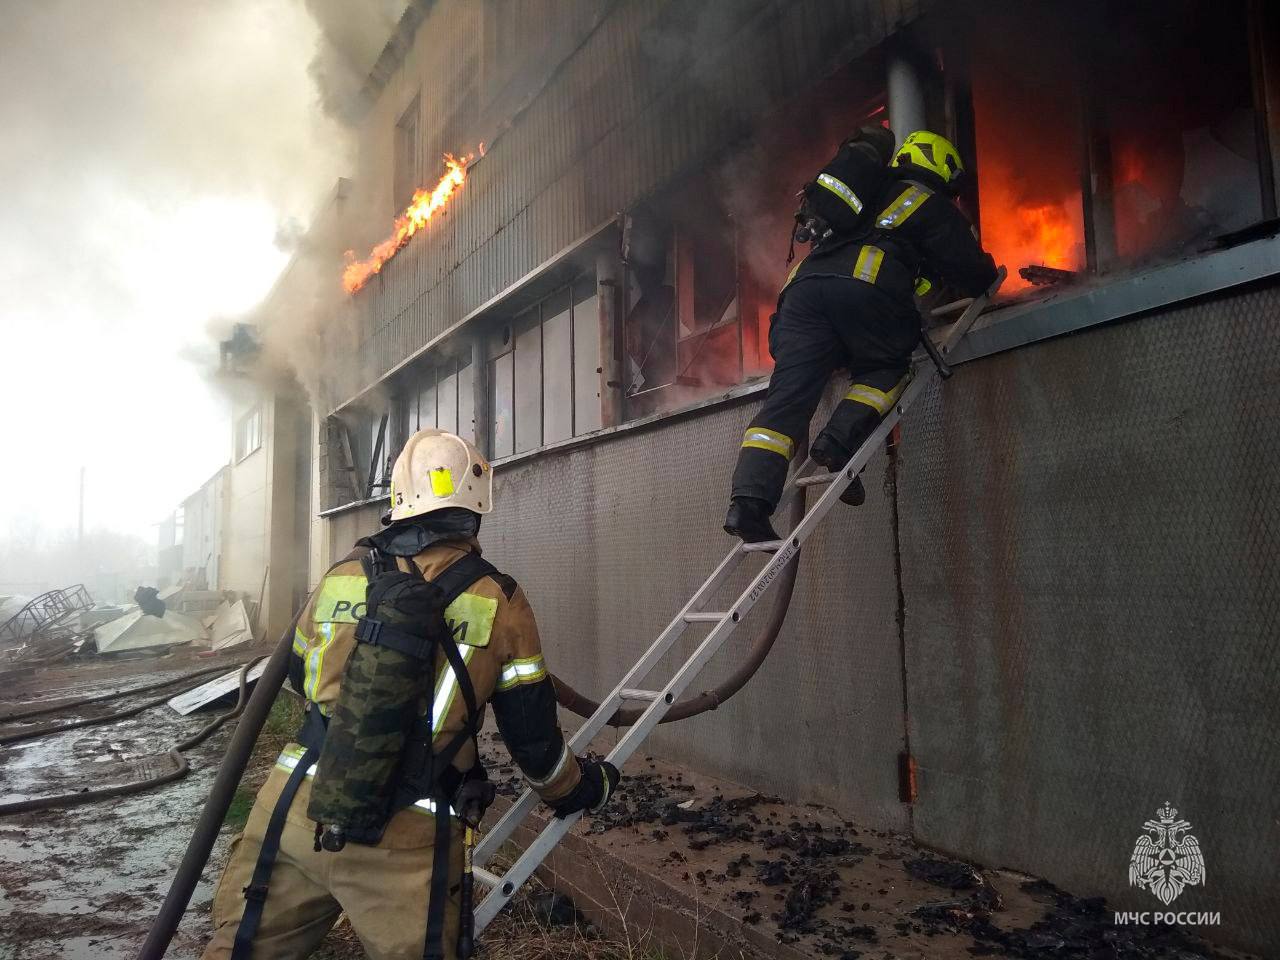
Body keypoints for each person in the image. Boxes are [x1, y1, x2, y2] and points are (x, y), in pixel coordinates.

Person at [203, 428, 619, 960]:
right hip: (406, 837)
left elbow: (298, 674)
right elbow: (534, 744)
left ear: (398, 502)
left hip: (293, 810)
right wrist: (580, 789)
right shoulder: (498, 598)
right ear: (474, 507)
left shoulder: (342, 576)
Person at [724, 130, 998, 543]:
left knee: (786, 401)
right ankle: (837, 443)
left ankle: (747, 504)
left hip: (800, 295)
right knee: (886, 368)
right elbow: (973, 271)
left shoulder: (864, 192)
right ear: (941, 169)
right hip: (863, 285)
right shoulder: (924, 200)